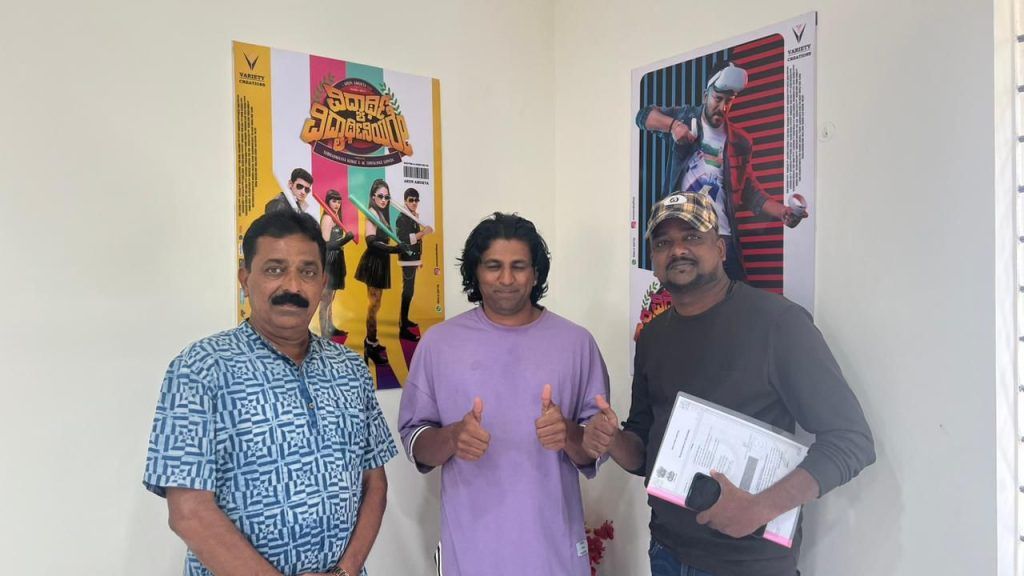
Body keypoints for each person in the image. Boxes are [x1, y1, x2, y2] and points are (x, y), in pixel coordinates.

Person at [583, 193, 874, 576]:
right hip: (667, 552)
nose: (678, 250)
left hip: (748, 564)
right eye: (664, 242)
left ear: (720, 248)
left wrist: (760, 508)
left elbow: (851, 441)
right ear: (654, 260)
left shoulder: (778, 323)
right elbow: (644, 453)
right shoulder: (652, 337)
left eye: (692, 236)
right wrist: (613, 440)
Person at [143, 210, 397, 576]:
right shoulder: (200, 368)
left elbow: (375, 482)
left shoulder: (351, 369)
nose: (293, 286)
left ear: (323, 282)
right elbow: (188, 512)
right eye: (275, 269)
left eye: (307, 272)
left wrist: (346, 571)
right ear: (245, 279)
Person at [397, 212, 610, 576]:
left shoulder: (577, 343)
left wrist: (569, 433)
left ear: (536, 273)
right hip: (471, 549)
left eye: (519, 266)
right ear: (475, 272)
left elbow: (595, 447)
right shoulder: (439, 343)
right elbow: (415, 441)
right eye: (493, 266)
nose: (507, 279)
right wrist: (453, 437)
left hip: (553, 549)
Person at [635, 62, 807, 281]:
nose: (723, 107)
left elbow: (749, 192)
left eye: (729, 101)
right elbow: (643, 117)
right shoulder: (686, 117)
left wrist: (782, 212)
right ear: (706, 94)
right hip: (686, 233)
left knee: (737, 294)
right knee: (688, 294)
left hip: (722, 237)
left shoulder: (740, 142)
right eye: (718, 98)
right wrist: (674, 126)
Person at [354, 179, 408, 365]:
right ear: (373, 197)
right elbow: (371, 241)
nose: (384, 200)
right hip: (374, 263)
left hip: (382, 262)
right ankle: (370, 345)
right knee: (373, 305)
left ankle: (373, 341)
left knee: (376, 306)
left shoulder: (382, 214)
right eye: (380, 196)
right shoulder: (372, 212)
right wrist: (394, 249)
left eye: (387, 197)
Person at [394, 187, 434, 342]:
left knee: (409, 291)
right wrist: (424, 232)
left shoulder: (413, 216)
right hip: (407, 258)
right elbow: (404, 239)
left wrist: (419, 259)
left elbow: (418, 241)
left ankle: (405, 320)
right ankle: (403, 327)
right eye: (411, 200)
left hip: (413, 258)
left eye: (416, 200)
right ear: (405, 201)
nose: (414, 203)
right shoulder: (402, 217)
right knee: (408, 291)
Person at [320, 189, 355, 338]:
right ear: (328, 202)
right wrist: (345, 240)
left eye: (339, 201)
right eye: (334, 201)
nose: (337, 204)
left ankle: (330, 327)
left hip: (337, 259)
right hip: (329, 260)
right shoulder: (328, 218)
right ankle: (324, 333)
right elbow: (326, 244)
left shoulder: (336, 217)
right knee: (325, 299)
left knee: (331, 297)